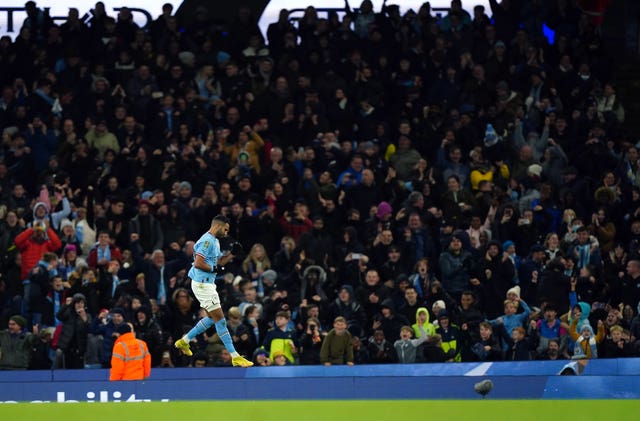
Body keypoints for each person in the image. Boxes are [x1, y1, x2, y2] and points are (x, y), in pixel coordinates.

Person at [174, 215, 253, 367]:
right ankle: (235, 356)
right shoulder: (207, 241)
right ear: (218, 226)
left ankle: (184, 341)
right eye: (225, 229)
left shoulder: (215, 241)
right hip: (203, 285)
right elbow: (198, 263)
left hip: (207, 284)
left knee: (212, 318)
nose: (226, 232)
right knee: (221, 321)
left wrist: (232, 254)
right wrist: (213, 268)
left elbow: (219, 264)